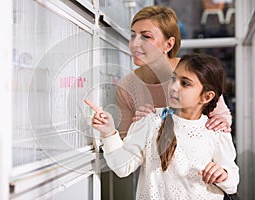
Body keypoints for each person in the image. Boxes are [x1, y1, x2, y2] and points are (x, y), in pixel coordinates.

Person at [85, 53, 239, 199]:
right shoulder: (150, 121)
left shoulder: (216, 131)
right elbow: (122, 167)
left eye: (185, 83)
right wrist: (109, 132)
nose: (173, 87)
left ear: (207, 96)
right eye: (173, 78)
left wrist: (223, 174)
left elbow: (232, 184)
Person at [116, 5, 232, 139]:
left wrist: (221, 122)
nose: (134, 44)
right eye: (133, 35)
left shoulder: (195, 72)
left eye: (146, 37)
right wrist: (139, 127)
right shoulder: (127, 86)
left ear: (169, 45)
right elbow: (124, 140)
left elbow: (222, 117)